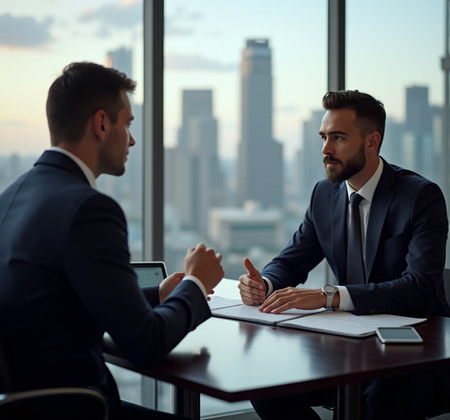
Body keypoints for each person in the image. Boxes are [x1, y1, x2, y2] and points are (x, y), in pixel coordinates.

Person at [0, 62, 224, 420]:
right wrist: (196, 283)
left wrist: (157, 296)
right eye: (129, 124)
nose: (132, 139)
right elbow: (146, 344)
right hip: (79, 409)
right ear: (102, 124)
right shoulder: (89, 209)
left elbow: (59, 303)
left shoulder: (10, 197)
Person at [238, 90, 450, 420]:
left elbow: (419, 287)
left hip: (416, 353)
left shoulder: (420, 197)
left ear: (372, 141)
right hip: (349, 345)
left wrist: (329, 296)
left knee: (378, 401)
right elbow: (295, 257)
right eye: (323, 137)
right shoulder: (325, 194)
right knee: (266, 387)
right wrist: (264, 283)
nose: (325, 149)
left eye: (337, 137)